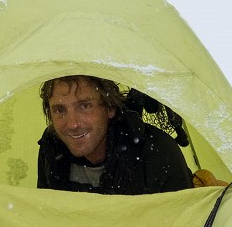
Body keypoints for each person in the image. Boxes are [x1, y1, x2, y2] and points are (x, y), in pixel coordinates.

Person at [36, 75, 195, 195]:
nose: (72, 124)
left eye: (84, 106)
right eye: (59, 110)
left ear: (110, 108)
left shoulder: (157, 152)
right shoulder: (52, 148)